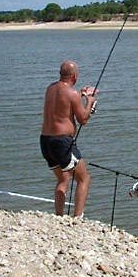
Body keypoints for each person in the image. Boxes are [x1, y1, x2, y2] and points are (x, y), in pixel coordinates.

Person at [40, 60, 97, 217]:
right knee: (84, 178)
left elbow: (64, 99)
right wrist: (89, 101)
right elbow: (83, 119)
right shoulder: (72, 94)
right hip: (62, 142)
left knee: (63, 178)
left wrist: (80, 93)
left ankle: (59, 216)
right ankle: (78, 218)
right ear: (75, 75)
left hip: (45, 141)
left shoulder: (50, 89)